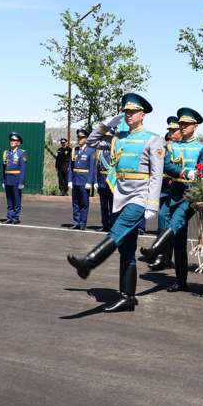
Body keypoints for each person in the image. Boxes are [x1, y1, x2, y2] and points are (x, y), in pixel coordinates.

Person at [67, 93, 165, 312]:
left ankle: (89, 262)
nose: (129, 115)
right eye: (126, 112)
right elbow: (91, 142)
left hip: (140, 196)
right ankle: (127, 297)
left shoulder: (153, 139)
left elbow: (157, 175)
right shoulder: (119, 137)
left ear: (143, 115)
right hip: (120, 195)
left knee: (117, 232)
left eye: (133, 112)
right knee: (126, 249)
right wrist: (107, 123)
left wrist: (152, 204)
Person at [140, 108, 203, 292]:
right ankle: (181, 280)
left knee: (176, 220)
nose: (183, 127)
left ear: (195, 126)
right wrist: (183, 172)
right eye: (181, 124)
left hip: (192, 194)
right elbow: (167, 164)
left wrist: (198, 173)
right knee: (179, 239)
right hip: (175, 191)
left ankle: (155, 250)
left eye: (187, 124)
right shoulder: (170, 146)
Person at [146, 117, 182, 271]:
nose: (171, 133)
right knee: (163, 218)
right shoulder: (164, 147)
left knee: (174, 224)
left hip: (179, 188)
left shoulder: (184, 148)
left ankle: (167, 256)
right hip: (164, 187)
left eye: (174, 130)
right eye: (170, 131)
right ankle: (163, 256)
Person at [67, 129, 96, 230]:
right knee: (75, 203)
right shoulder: (75, 150)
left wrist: (89, 182)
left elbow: (92, 168)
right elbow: (71, 167)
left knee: (84, 203)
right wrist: (69, 180)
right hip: (75, 180)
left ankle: (83, 222)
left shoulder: (91, 151)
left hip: (84, 181)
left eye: (82, 137)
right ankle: (76, 222)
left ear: (86, 139)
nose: (79, 139)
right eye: (78, 137)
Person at [3, 132, 28, 224]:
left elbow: (23, 169)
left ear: (18, 143)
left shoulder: (22, 153)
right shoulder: (6, 152)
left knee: (16, 199)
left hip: (16, 179)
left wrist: (21, 182)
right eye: (11, 140)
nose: (12, 142)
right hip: (8, 179)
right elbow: (4, 168)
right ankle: (9, 217)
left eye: (14, 140)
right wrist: (3, 180)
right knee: (9, 200)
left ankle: (15, 217)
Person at [95, 128, 114, 232]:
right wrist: (97, 182)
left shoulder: (114, 151)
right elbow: (98, 168)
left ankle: (112, 225)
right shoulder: (100, 153)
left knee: (112, 205)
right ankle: (105, 224)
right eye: (105, 137)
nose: (107, 139)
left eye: (109, 137)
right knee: (103, 205)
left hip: (111, 182)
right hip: (102, 181)